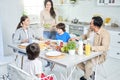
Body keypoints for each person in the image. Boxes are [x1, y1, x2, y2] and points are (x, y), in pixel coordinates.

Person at [40, 0, 57, 67]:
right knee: (46, 46)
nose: (48, 6)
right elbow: (41, 23)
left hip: (54, 31)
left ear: (51, 5)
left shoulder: (54, 11)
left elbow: (57, 22)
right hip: (46, 31)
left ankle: (53, 62)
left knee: (53, 46)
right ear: (45, 5)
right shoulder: (42, 12)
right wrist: (46, 25)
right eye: (47, 4)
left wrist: (54, 25)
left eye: (50, 5)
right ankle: (48, 62)